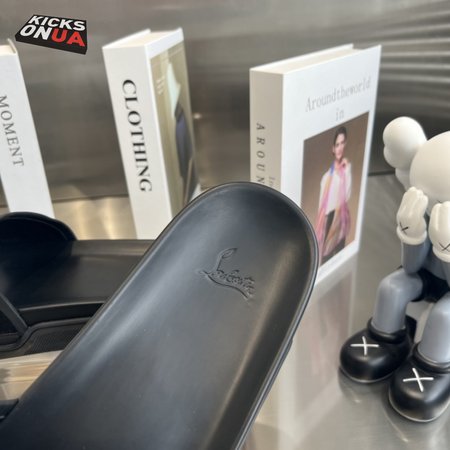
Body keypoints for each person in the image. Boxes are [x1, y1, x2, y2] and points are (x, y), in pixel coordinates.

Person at [315, 126, 352, 264]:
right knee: (326, 258)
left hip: (340, 219)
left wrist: (346, 171)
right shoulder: (326, 177)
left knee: (339, 256)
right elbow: (321, 208)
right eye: (337, 145)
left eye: (342, 143)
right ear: (333, 148)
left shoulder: (346, 171)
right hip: (329, 220)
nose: (340, 148)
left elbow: (346, 196)